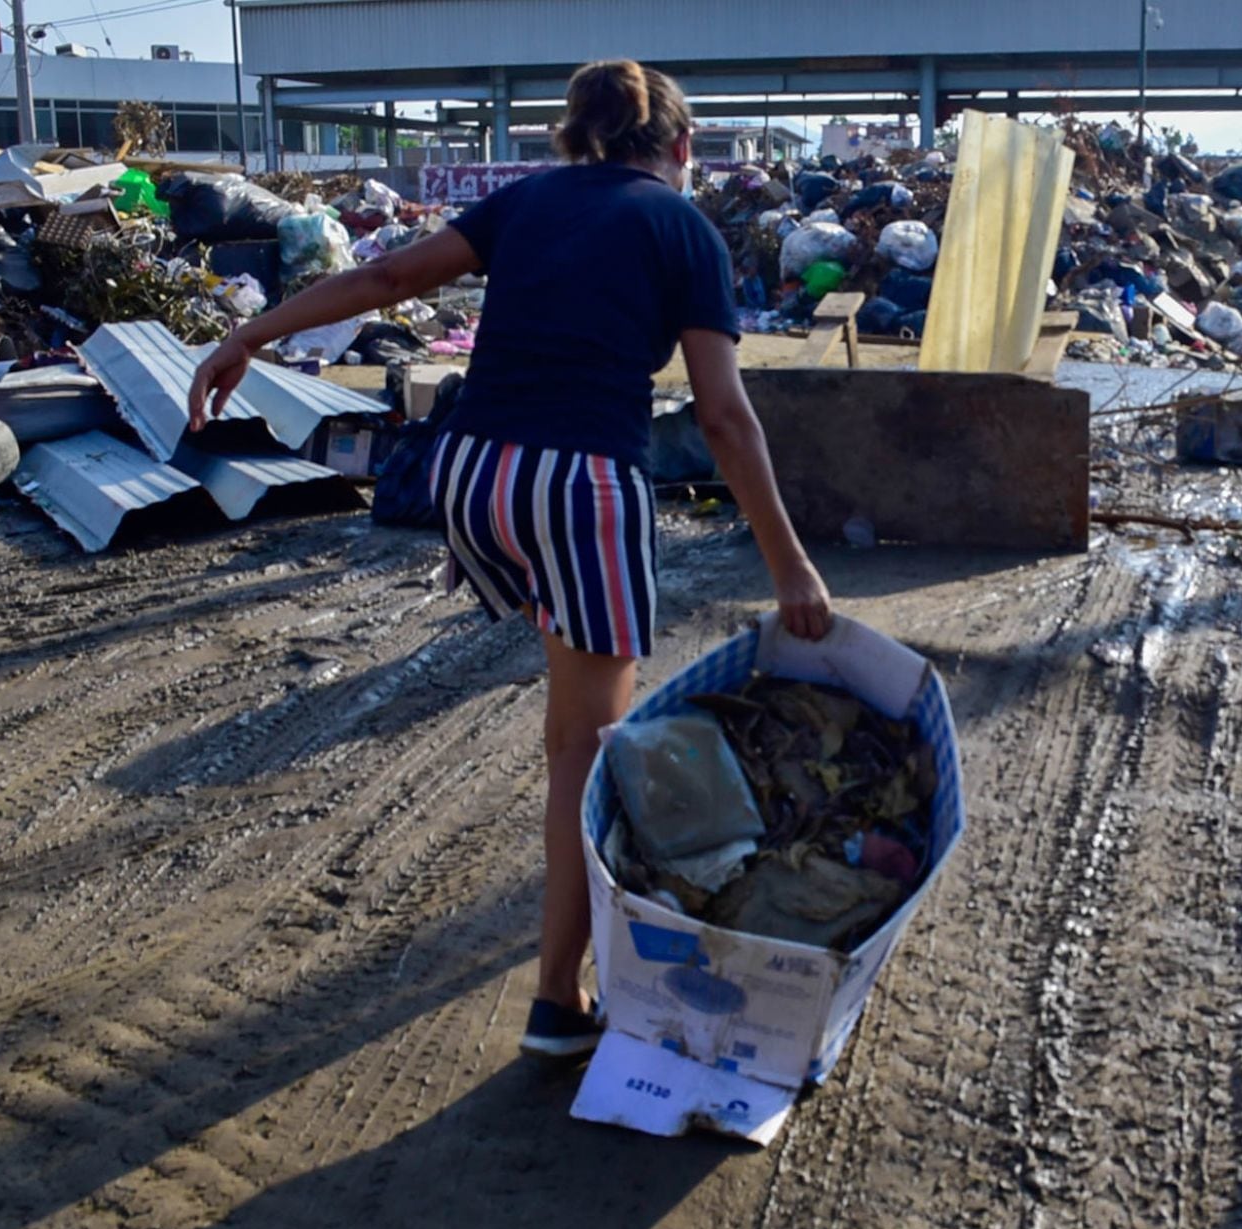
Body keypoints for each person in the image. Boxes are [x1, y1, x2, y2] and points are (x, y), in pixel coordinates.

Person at [186, 59, 833, 1058]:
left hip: (467, 479)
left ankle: (523, 584)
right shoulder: (684, 229)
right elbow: (722, 418)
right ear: (683, 148)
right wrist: (791, 563)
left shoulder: (524, 200)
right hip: (576, 487)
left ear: (578, 139)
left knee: (563, 695)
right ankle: (557, 1003)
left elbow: (388, 276)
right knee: (586, 750)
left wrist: (252, 333)